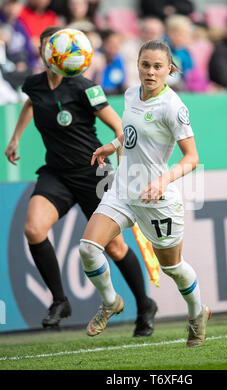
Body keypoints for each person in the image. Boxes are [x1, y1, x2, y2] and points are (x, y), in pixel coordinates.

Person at [4, 26, 157, 337]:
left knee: (114, 247)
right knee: (33, 229)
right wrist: (16, 137)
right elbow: (32, 104)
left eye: (58, 46)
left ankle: (144, 305)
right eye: (49, 46)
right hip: (56, 173)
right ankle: (60, 301)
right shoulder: (34, 84)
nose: (55, 52)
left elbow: (118, 127)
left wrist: (120, 154)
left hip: (93, 173)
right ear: (44, 52)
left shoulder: (84, 87)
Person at [78, 39, 212, 348]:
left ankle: (196, 313)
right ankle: (111, 302)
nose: (150, 72)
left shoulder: (173, 107)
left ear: (168, 70)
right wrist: (112, 146)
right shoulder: (129, 94)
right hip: (124, 191)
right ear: (137, 65)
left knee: (172, 268)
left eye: (157, 67)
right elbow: (130, 134)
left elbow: (191, 158)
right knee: (87, 248)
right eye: (145, 65)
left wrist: (164, 181)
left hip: (156, 199)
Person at [120, 16, 165, 88]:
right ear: (140, 32)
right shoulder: (128, 48)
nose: (149, 36)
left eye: (153, 33)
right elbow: (127, 75)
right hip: (132, 88)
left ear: (160, 35)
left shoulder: (165, 50)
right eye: (146, 32)